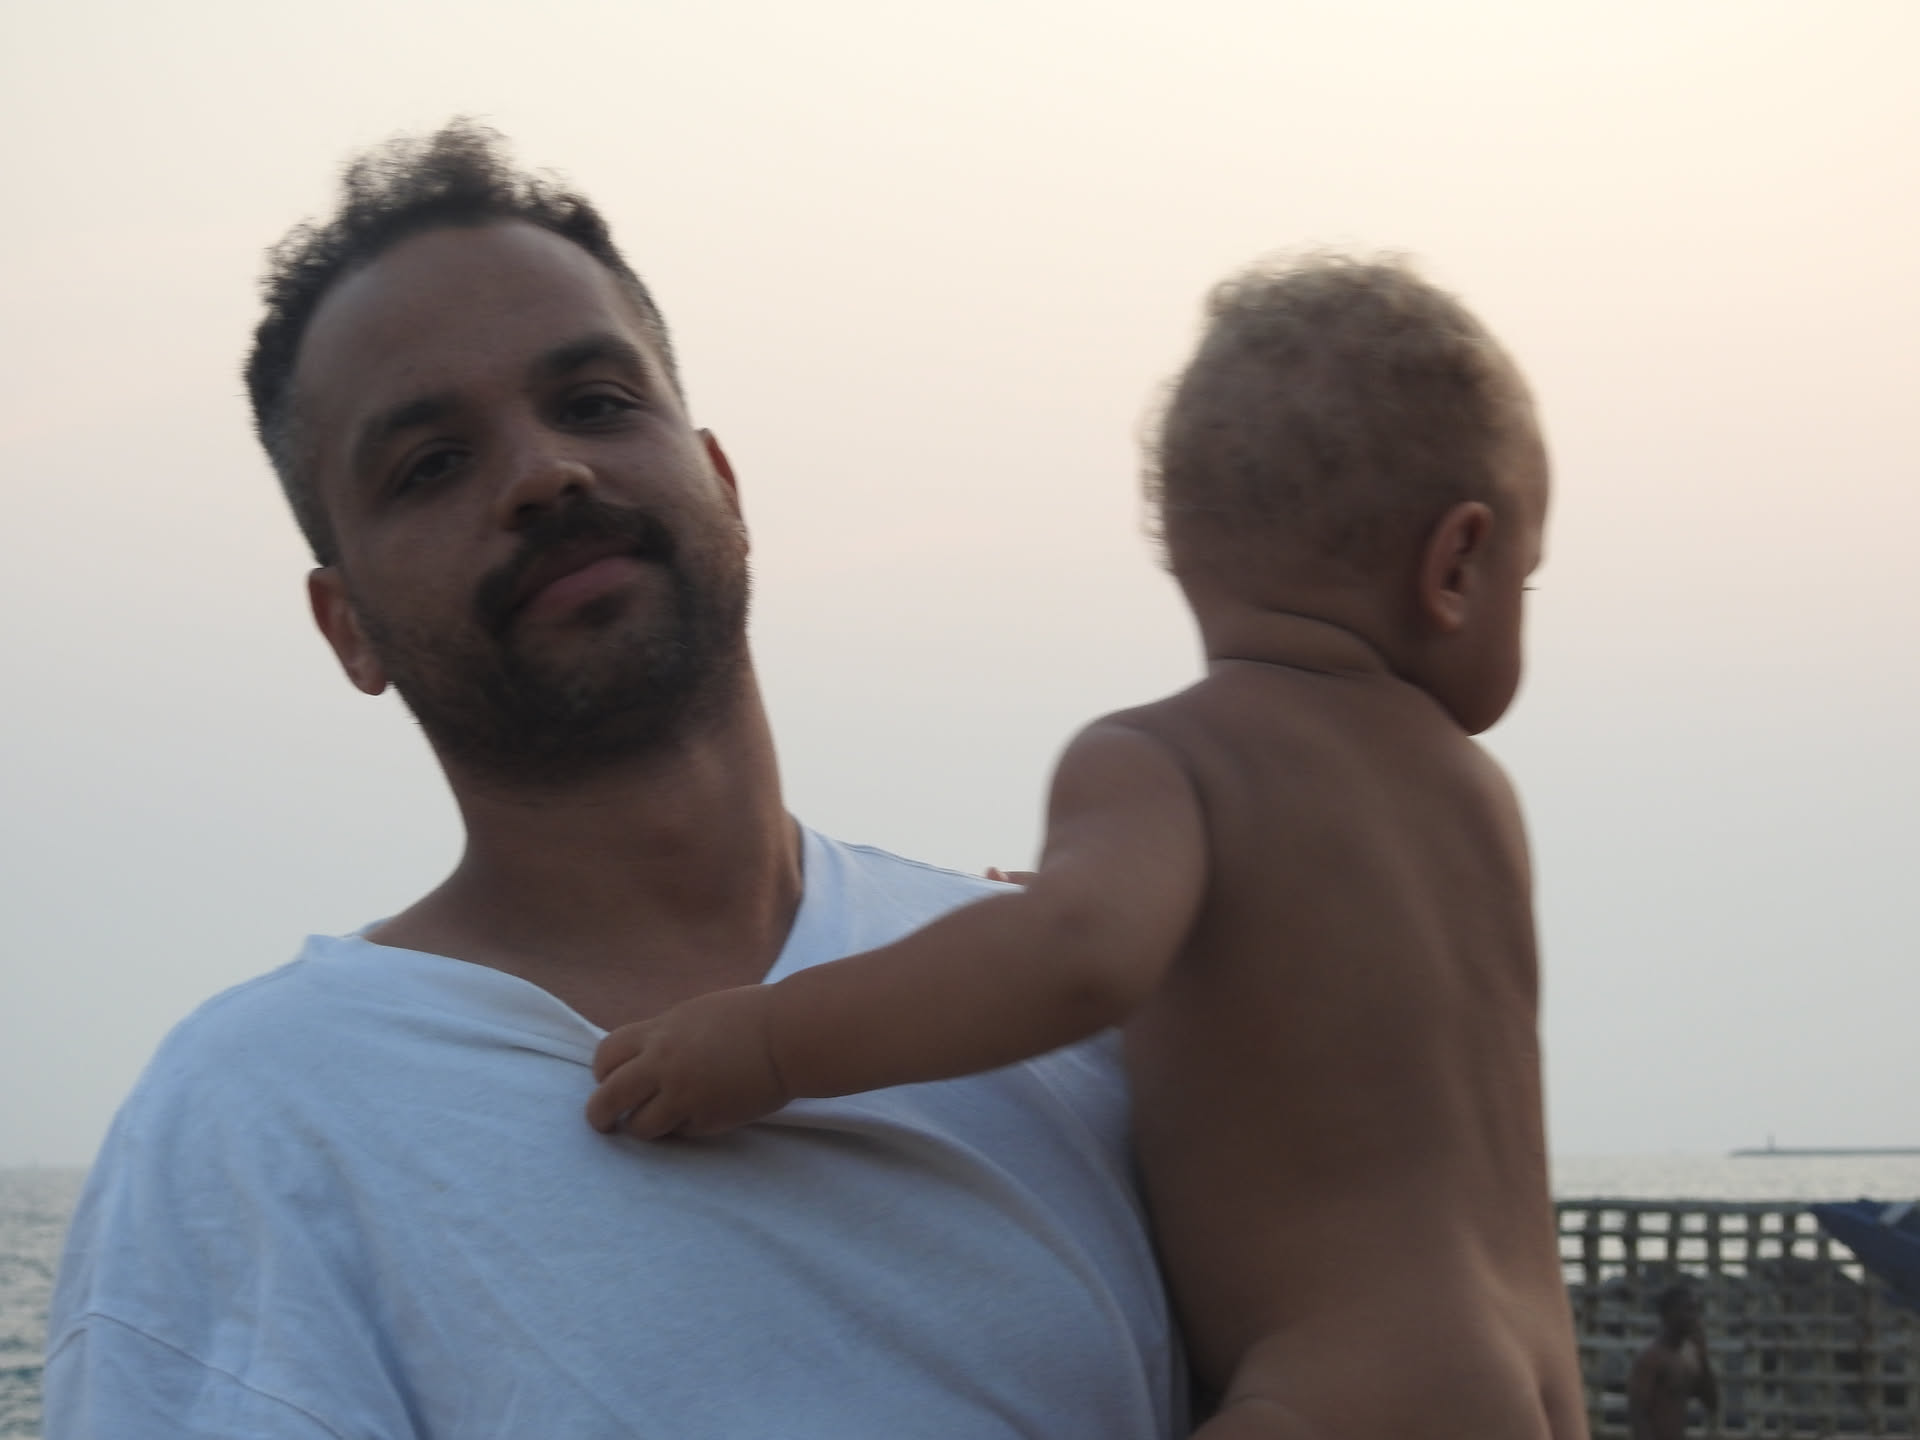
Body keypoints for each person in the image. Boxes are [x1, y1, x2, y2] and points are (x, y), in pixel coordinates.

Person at [43, 121, 1179, 1438]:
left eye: (593, 402)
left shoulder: (1077, 1012)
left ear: (723, 484)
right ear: (348, 628)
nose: (544, 473)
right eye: (431, 465)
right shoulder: (259, 1124)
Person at [588, 255, 1590, 1438]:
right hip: (1536, 1388)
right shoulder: (1477, 800)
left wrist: (765, 1041)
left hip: (1334, 1391)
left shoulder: (1168, 759)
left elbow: (1076, 952)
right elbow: (1330, 1006)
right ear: (1456, 565)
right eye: (1531, 579)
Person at [1628, 1285, 1718, 1440]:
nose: (1694, 1317)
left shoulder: (1687, 1359)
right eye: (1688, 1309)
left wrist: (1703, 1357)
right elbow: (1637, 1414)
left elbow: (1712, 1403)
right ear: (1668, 1313)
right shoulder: (1651, 1359)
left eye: (1696, 1310)